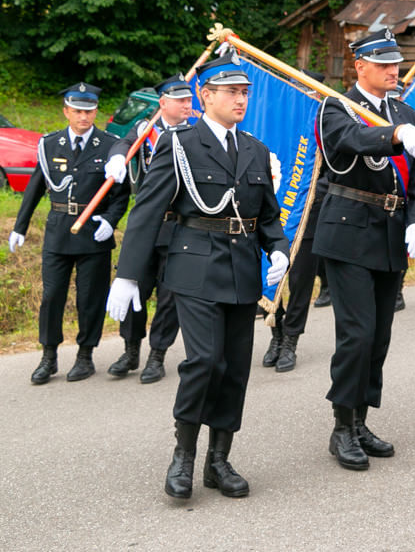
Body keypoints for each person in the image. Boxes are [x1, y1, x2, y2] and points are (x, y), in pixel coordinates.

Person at [106, 52, 290, 499]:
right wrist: (128, 274)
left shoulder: (255, 149)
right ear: (205, 96)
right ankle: (183, 455)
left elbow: (266, 217)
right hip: (194, 264)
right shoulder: (180, 143)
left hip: (242, 269)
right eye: (231, 92)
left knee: (234, 371)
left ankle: (219, 460)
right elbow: (148, 208)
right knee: (204, 362)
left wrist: (279, 249)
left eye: (245, 92)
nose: (240, 99)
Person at [313, 27, 415, 470]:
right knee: (357, 334)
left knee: (379, 337)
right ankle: (341, 426)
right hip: (347, 231)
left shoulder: (406, 112)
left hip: (390, 232)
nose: (392, 69)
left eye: (395, 62)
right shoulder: (337, 107)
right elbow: (350, 141)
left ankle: (361, 420)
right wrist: (396, 133)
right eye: (382, 63)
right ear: (359, 66)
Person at [10, 83, 129, 385]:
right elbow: (36, 187)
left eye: (89, 111)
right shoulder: (50, 144)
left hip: (93, 234)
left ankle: (85, 355)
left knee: (90, 299)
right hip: (59, 231)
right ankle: (48, 356)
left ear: (95, 112)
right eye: (77, 111)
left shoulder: (109, 145)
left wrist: (110, 222)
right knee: (52, 297)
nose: (84, 117)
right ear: (66, 111)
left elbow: (121, 194)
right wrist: (20, 226)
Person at [104, 73, 193, 383]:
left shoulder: (192, 135)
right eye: (181, 100)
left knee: (169, 297)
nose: (187, 104)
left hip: (178, 226)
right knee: (133, 286)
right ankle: (130, 350)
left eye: (189, 99)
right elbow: (122, 142)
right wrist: (116, 157)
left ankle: (157, 355)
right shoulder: (146, 132)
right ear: (163, 103)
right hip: (145, 227)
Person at [261, 70, 330, 373]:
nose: (303, 94)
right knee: (270, 276)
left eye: (308, 90)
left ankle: (291, 339)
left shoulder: (327, 124)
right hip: (276, 212)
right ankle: (276, 331)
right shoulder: (282, 121)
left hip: (310, 216)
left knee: (301, 281)